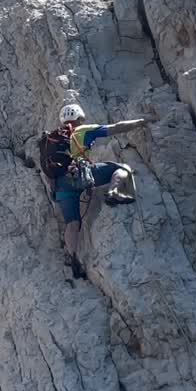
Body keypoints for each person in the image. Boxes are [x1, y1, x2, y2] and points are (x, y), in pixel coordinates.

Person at [40, 103, 152, 279]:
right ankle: (114, 192)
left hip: (61, 185)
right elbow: (115, 128)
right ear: (80, 117)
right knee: (122, 168)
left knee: (72, 223)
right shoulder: (83, 130)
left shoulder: (53, 139)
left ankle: (73, 258)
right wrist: (140, 122)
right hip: (80, 176)